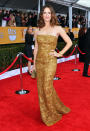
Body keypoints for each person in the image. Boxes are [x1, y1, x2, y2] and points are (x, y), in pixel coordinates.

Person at [32, 5, 72, 126]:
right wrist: (34, 64)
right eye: (44, 13)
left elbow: (69, 42)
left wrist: (59, 54)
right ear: (42, 15)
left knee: (47, 87)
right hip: (39, 62)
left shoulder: (57, 28)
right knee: (41, 88)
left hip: (50, 61)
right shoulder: (37, 30)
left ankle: (52, 113)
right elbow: (36, 48)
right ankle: (49, 110)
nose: (47, 15)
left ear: (52, 14)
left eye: (49, 13)